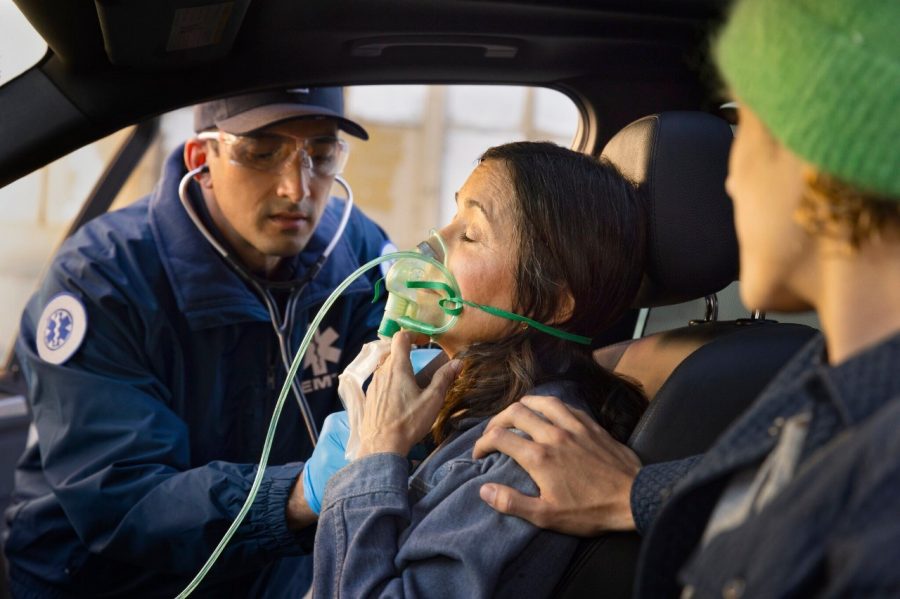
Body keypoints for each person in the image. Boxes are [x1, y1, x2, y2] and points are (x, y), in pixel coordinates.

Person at [474, 0, 900, 595]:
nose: (727, 179)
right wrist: (635, 494)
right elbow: (784, 475)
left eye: (744, 131)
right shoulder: (835, 379)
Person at [2, 88, 393, 597]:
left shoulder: (358, 256)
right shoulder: (102, 281)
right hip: (107, 579)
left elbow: (407, 387)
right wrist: (298, 495)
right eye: (261, 152)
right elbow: (121, 494)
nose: (297, 189)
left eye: (319, 155)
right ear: (201, 158)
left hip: (273, 570)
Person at [307, 141, 649, 597]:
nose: (431, 245)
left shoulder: (527, 451)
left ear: (552, 300)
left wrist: (376, 454)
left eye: (470, 235)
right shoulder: (475, 407)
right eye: (453, 219)